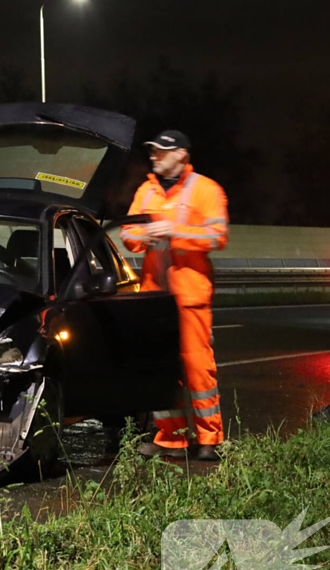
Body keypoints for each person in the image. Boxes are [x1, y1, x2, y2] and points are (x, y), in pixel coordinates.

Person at [120, 131, 228, 461]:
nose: (154, 156)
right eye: (152, 151)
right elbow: (128, 233)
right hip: (155, 296)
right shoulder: (146, 190)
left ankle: (210, 439)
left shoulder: (206, 189)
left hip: (190, 294)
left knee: (198, 369)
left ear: (181, 154)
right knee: (160, 369)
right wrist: (144, 235)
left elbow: (217, 236)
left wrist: (174, 231)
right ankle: (171, 439)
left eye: (161, 151)